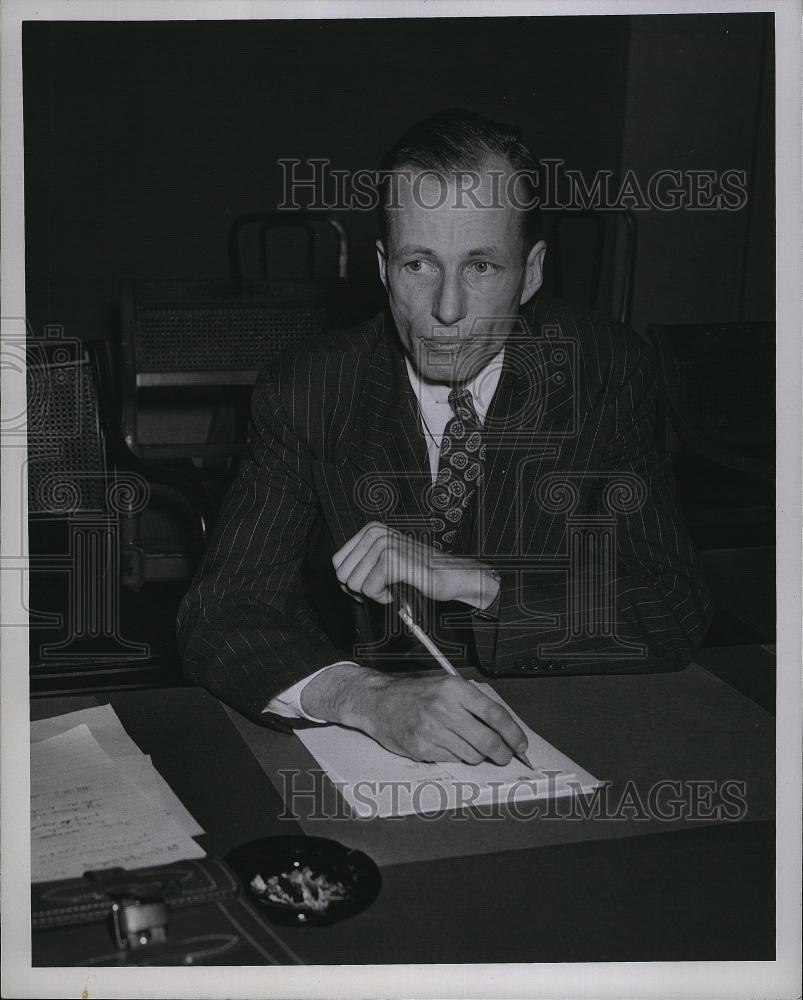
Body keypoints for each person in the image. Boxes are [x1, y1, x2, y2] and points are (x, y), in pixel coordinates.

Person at [177, 108, 712, 766]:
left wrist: (478, 583)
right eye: (418, 265)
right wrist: (365, 697)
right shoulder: (309, 389)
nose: (446, 310)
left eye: (482, 267)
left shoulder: (604, 369)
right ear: (382, 266)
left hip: (568, 733)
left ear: (532, 272)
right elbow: (220, 612)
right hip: (366, 757)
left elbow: (669, 608)